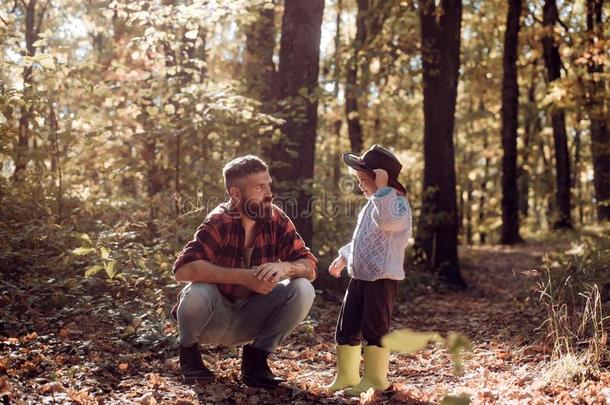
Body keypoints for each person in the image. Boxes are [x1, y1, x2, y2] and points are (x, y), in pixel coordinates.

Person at [172, 155, 317, 389]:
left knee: (302, 288)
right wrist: (244, 277)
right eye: (260, 187)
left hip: (251, 317)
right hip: (213, 319)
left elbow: (310, 266)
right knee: (197, 290)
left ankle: (255, 363)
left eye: (268, 184)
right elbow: (182, 270)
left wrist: (286, 267)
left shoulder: (276, 218)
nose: (268, 193)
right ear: (235, 193)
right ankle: (189, 358)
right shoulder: (219, 221)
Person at [326, 144, 412, 394]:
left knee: (375, 328)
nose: (361, 185)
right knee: (347, 325)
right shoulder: (373, 203)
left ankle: (375, 378)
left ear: (382, 178)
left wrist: (384, 190)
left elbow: (388, 224)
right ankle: (347, 375)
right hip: (360, 276)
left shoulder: (396, 204)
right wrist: (344, 256)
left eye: (364, 179)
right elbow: (362, 240)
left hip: (382, 278)